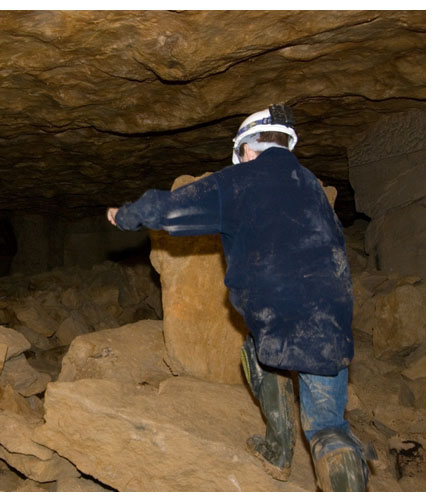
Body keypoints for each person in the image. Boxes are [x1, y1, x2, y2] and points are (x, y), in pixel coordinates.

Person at [106, 104, 369, 491]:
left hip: (277, 311)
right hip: (331, 314)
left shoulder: (240, 179)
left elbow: (174, 208)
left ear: (246, 148)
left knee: (261, 353)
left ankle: (277, 451)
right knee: (329, 429)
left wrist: (126, 215)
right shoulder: (311, 184)